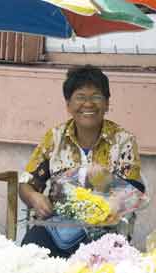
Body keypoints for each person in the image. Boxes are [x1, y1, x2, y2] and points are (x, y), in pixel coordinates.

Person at [19, 64, 144, 257]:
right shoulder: (54, 138)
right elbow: (27, 184)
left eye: (96, 97)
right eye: (80, 97)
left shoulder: (123, 140)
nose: (88, 104)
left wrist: (104, 181)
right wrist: (35, 198)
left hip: (105, 230)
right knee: (30, 252)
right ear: (68, 105)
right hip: (57, 227)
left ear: (107, 103)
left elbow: (134, 195)